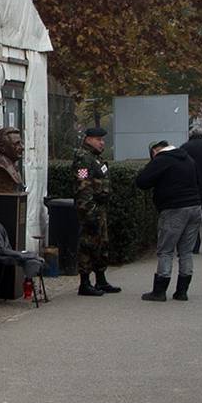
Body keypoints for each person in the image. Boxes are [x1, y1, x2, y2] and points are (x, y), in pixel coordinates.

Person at [133, 138, 202, 302]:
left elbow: (142, 181)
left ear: (155, 151)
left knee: (166, 250)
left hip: (174, 209)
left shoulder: (162, 160)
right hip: (195, 207)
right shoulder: (188, 159)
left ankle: (159, 291)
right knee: (185, 251)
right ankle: (182, 291)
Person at [72, 125, 122, 296]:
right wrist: (88, 211)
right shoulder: (83, 159)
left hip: (100, 208)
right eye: (99, 140)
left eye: (102, 140)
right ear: (88, 139)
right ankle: (84, 283)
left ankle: (101, 280)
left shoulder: (96, 158)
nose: (102, 143)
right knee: (88, 245)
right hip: (90, 209)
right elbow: (83, 185)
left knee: (102, 244)